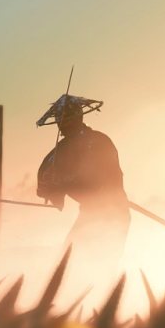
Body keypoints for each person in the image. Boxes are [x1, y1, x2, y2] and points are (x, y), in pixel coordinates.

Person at [35, 94, 131, 274]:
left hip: (113, 213)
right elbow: (47, 184)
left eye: (65, 118)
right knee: (67, 262)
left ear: (78, 117)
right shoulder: (64, 149)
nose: (61, 124)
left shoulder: (98, 142)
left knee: (100, 266)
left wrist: (61, 186)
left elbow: (93, 183)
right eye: (59, 119)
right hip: (89, 213)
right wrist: (51, 189)